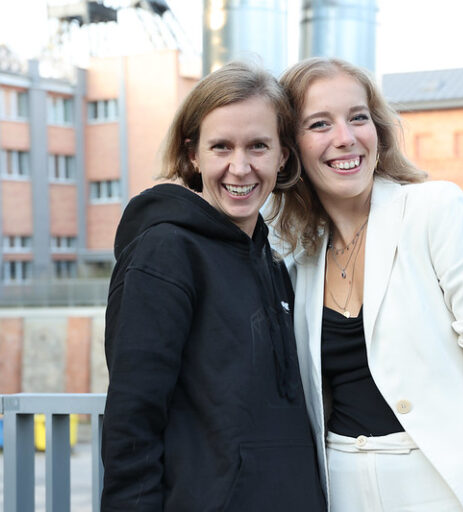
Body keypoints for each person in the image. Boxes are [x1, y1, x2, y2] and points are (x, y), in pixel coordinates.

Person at [273, 57, 463, 512]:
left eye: (358, 117)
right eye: (320, 123)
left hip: (447, 486)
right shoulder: (297, 256)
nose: (346, 137)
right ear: (289, 148)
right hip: (339, 490)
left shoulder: (435, 210)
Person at [100, 61, 326, 512]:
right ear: (192, 155)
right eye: (221, 146)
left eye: (258, 146)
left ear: (283, 156)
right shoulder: (165, 252)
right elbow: (133, 422)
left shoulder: (273, 260)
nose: (239, 168)